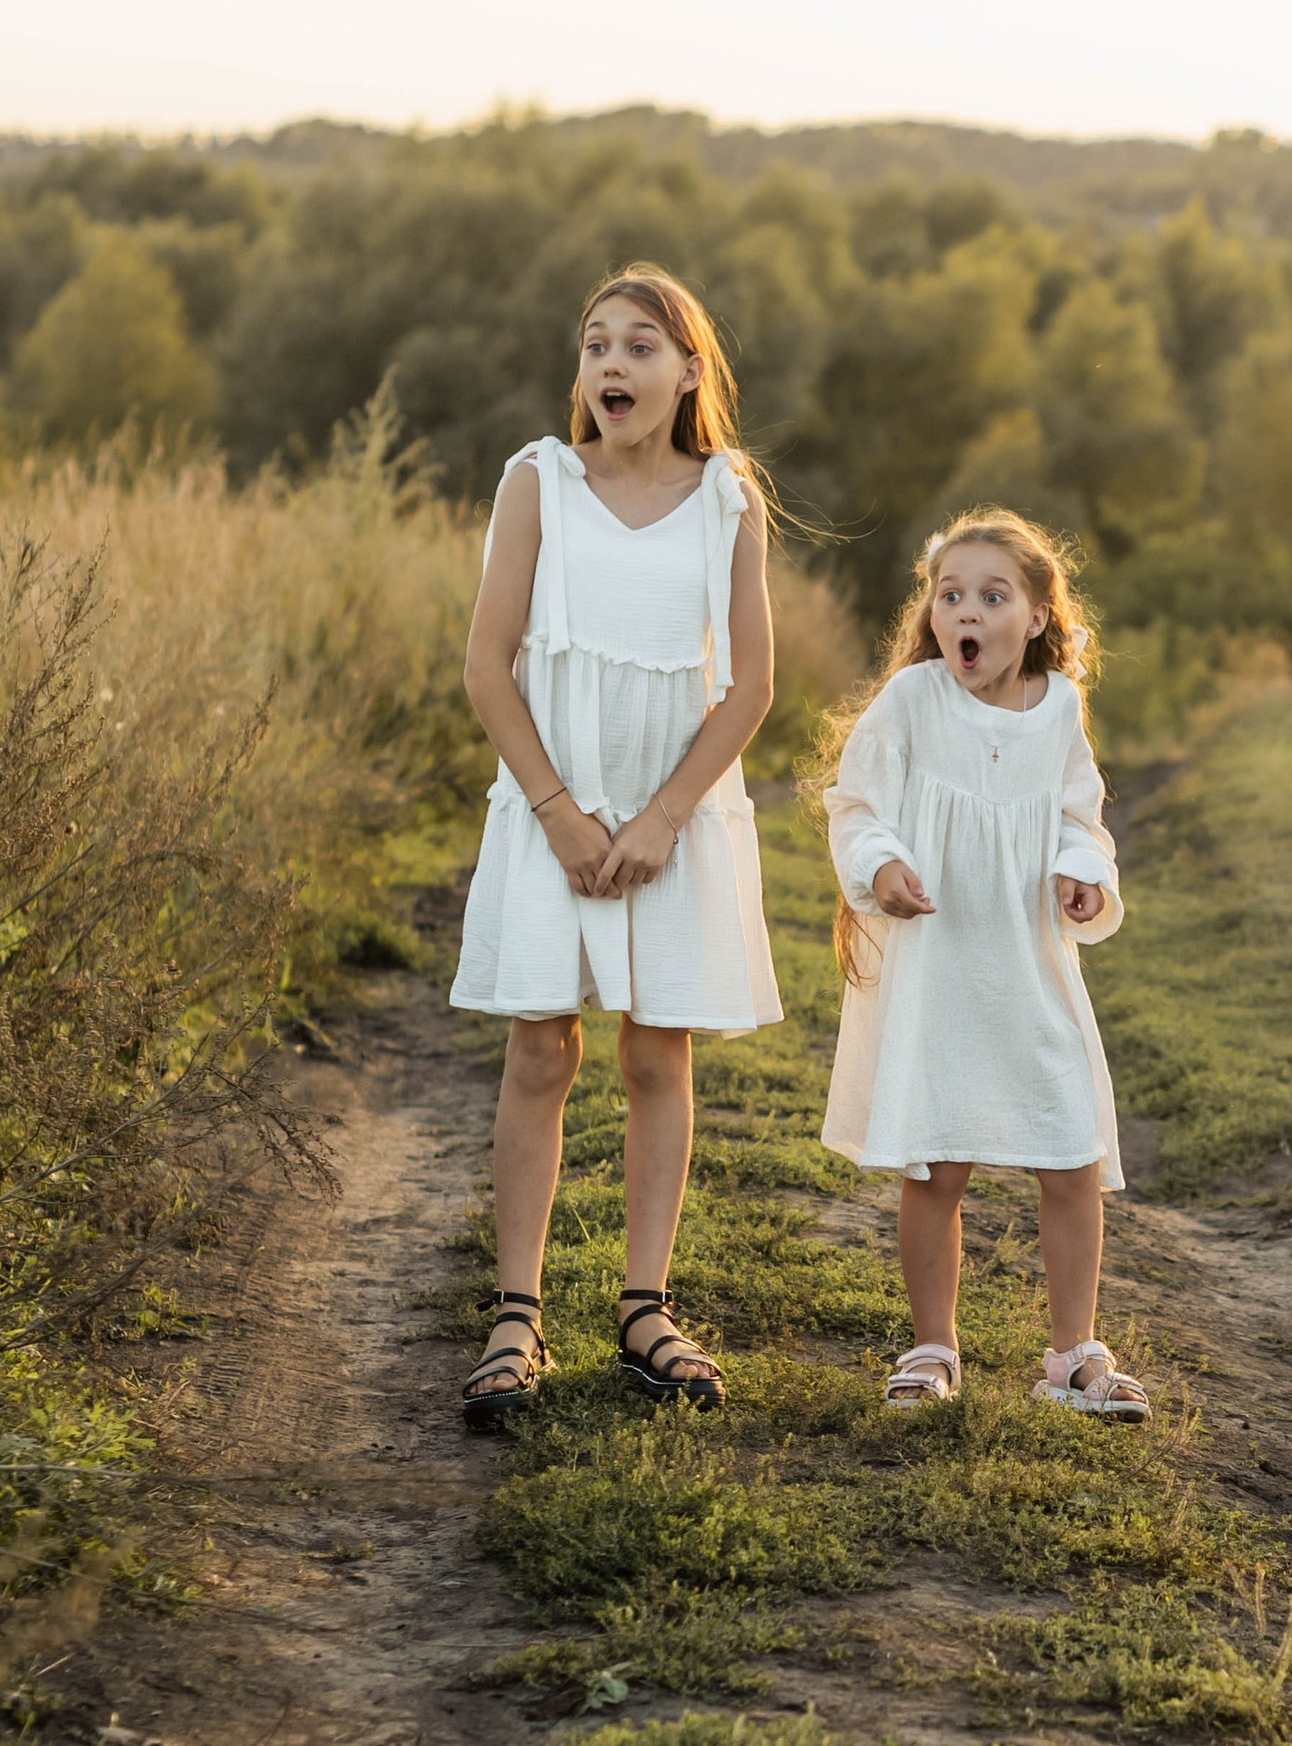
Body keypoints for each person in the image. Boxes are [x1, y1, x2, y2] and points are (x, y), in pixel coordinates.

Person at [449, 264, 780, 1429]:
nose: (611, 366)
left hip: (669, 818)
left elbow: (749, 685)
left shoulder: (725, 496)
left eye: (640, 346)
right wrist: (560, 812)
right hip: (554, 807)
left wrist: (657, 821)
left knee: (657, 1055)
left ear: (689, 371)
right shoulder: (537, 482)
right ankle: (515, 1313)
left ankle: (645, 1307)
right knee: (540, 1048)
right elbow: (489, 664)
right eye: (595, 345)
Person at [819, 512, 1146, 1418]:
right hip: (940, 967)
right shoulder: (914, 700)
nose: (966, 609)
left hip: (1028, 965)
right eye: (950, 593)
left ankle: (1073, 1354)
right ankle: (933, 1347)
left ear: (1038, 615)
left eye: (992, 595)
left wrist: (1081, 874)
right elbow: (856, 801)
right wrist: (881, 863)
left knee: (1072, 1150)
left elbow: (1082, 819)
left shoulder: (1060, 712)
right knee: (936, 1164)